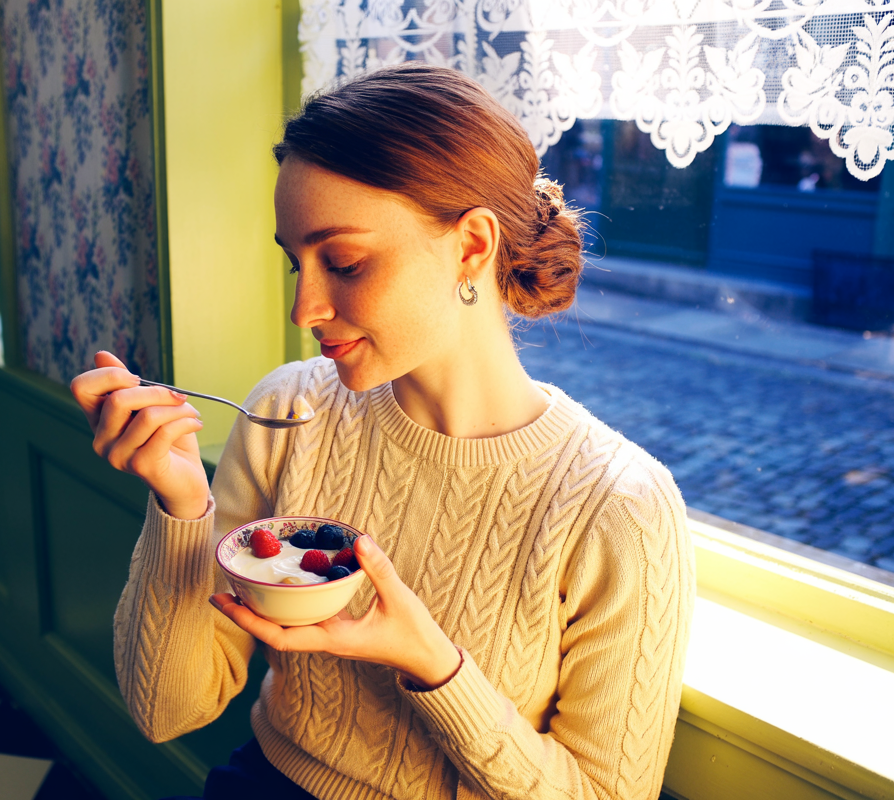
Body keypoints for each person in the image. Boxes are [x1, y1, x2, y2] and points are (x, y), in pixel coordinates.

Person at [70, 63, 694, 800]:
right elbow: (166, 711)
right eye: (295, 261)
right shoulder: (287, 415)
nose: (305, 307)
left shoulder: (619, 507)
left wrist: (435, 666)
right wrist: (180, 506)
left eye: (343, 261)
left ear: (470, 248)